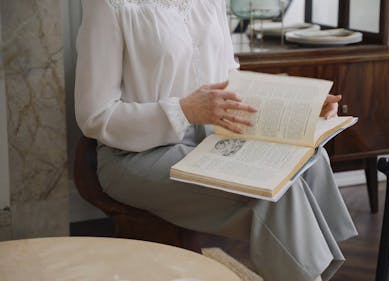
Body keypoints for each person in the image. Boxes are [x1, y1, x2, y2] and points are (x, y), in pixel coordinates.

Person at [75, 1, 357, 280]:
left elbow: (230, 81)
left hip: (213, 137)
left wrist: (301, 106)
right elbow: (95, 116)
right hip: (136, 155)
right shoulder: (109, 5)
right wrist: (184, 110)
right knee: (275, 195)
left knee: (310, 159)